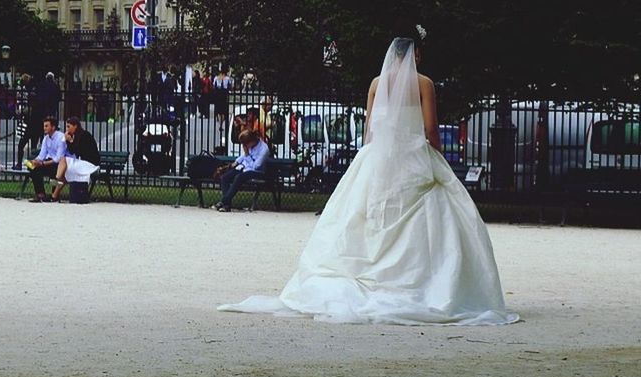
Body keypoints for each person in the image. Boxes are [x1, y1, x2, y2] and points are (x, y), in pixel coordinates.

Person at [218, 30, 520, 325]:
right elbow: (430, 128)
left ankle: (368, 275)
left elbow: (370, 129)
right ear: (414, 55)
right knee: (434, 220)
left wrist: (371, 156)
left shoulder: (376, 83)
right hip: (413, 155)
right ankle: (420, 282)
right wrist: (436, 156)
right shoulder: (425, 83)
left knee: (366, 214)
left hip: (380, 155)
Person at [214, 128, 271, 213]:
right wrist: (236, 162)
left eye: (245, 144)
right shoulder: (249, 146)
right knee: (225, 177)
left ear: (251, 141)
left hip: (257, 172)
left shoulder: (264, 149)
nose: (244, 147)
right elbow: (243, 156)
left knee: (239, 177)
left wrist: (247, 154)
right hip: (245, 169)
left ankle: (223, 201)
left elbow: (256, 166)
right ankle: (226, 205)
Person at [48, 116, 101, 202]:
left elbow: (79, 151)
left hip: (90, 164)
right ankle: (54, 196)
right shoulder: (75, 136)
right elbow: (72, 151)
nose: (67, 129)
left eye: (69, 126)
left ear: (75, 126)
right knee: (64, 172)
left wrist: (71, 141)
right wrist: (69, 141)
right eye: (66, 127)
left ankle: (57, 178)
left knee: (63, 160)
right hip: (82, 163)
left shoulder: (84, 135)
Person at [26, 116, 66, 202]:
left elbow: (58, 159)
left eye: (46, 126)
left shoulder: (61, 138)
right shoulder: (46, 138)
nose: (44, 128)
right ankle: (40, 194)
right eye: (44, 126)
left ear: (53, 127)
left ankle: (54, 194)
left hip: (60, 164)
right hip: (48, 162)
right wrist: (35, 161)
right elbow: (41, 155)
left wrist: (42, 164)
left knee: (51, 168)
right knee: (31, 167)